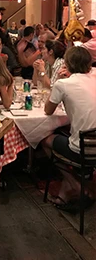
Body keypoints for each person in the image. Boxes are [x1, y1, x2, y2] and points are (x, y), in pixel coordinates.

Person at [42, 47, 96, 210]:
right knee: (66, 133)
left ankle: (75, 184)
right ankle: (66, 189)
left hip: (83, 149)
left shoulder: (63, 84)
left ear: (67, 63)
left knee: (44, 138)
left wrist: (60, 83)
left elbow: (48, 110)